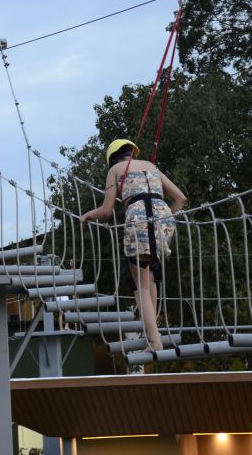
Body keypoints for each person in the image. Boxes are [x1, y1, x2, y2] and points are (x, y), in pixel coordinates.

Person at [80, 139, 187, 350]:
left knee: (141, 286)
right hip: (162, 219)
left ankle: (155, 340)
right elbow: (180, 198)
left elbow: (107, 210)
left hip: (138, 220)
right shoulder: (152, 166)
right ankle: (152, 331)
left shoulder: (115, 170)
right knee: (150, 277)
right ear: (132, 152)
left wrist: (86, 217)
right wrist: (166, 220)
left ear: (112, 158)